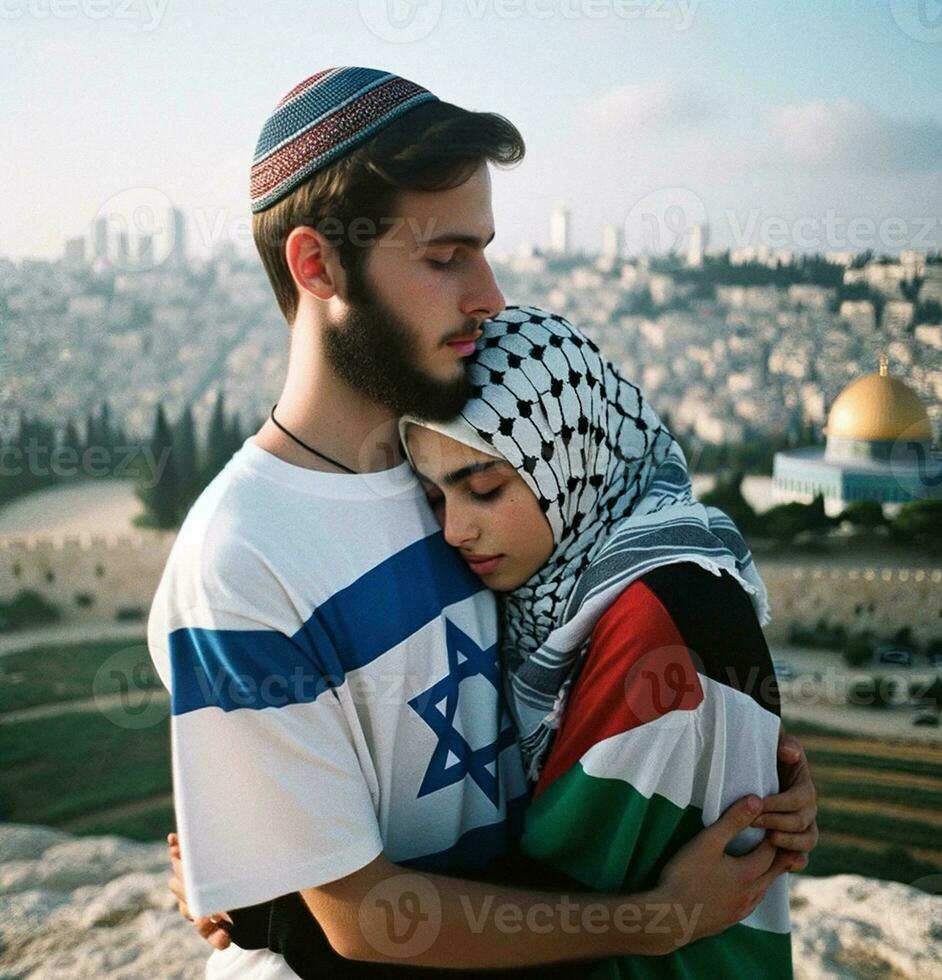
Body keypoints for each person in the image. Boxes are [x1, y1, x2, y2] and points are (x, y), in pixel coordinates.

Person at [154, 67, 817, 978]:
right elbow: (362, 918)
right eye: (445, 256)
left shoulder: (460, 458)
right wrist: (652, 920)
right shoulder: (244, 554)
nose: (490, 293)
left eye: (485, 248)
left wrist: (744, 771)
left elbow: (605, 632)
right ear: (319, 265)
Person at [399, 305, 813, 976]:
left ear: (573, 459)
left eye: (482, 488)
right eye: (434, 497)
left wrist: (291, 895)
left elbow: (543, 907)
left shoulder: (663, 615)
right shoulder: (550, 592)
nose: (454, 530)